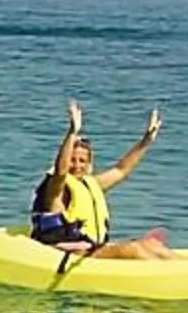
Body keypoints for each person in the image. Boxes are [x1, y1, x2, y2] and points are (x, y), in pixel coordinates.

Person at [29, 99, 174, 261]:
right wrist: (72, 132)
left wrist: (146, 140)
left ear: (89, 164)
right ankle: (169, 274)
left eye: (82, 161)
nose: (77, 165)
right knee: (132, 249)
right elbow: (61, 172)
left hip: (93, 250)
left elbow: (121, 170)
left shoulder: (92, 184)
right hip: (69, 254)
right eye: (72, 160)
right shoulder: (56, 190)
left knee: (152, 245)